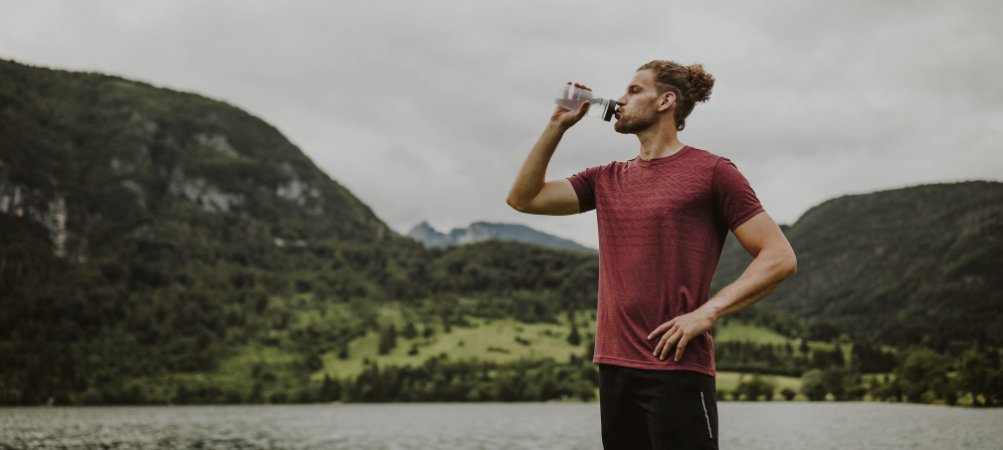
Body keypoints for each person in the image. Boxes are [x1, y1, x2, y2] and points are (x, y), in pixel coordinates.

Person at [505, 61, 797, 450]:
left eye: (634, 91)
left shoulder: (712, 172)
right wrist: (556, 125)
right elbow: (523, 199)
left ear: (666, 101)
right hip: (614, 369)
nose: (620, 100)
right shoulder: (605, 178)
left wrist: (706, 313)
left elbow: (778, 256)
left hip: (676, 368)